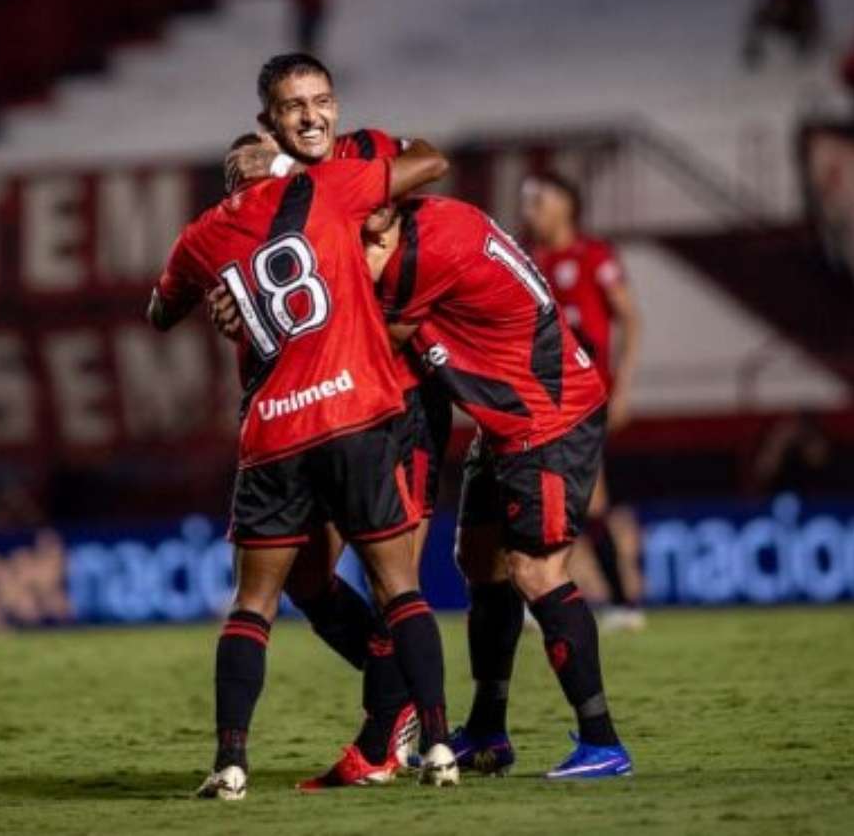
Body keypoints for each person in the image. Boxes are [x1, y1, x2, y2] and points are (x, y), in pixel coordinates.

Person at [215, 147, 633, 782]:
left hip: (546, 417)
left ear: (381, 216)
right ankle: (486, 731)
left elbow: (358, 339)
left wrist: (251, 308)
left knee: (535, 569)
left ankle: (602, 741)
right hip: (502, 420)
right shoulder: (415, 226)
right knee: (481, 563)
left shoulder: (423, 253)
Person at [148, 113, 457, 796]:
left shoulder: (207, 235)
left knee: (258, 601)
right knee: (365, 585)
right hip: (351, 415)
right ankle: (436, 740)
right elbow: (429, 163)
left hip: (307, 425)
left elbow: (159, 312)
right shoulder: (325, 189)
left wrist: (219, 283)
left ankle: (239, 761)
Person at [524, 173, 645, 631]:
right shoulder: (527, 259)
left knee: (586, 497)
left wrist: (624, 388)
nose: (530, 208)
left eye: (538, 198)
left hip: (584, 399)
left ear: (567, 204)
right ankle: (611, 603)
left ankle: (619, 603)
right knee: (546, 494)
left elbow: (630, 320)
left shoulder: (594, 256)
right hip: (539, 400)